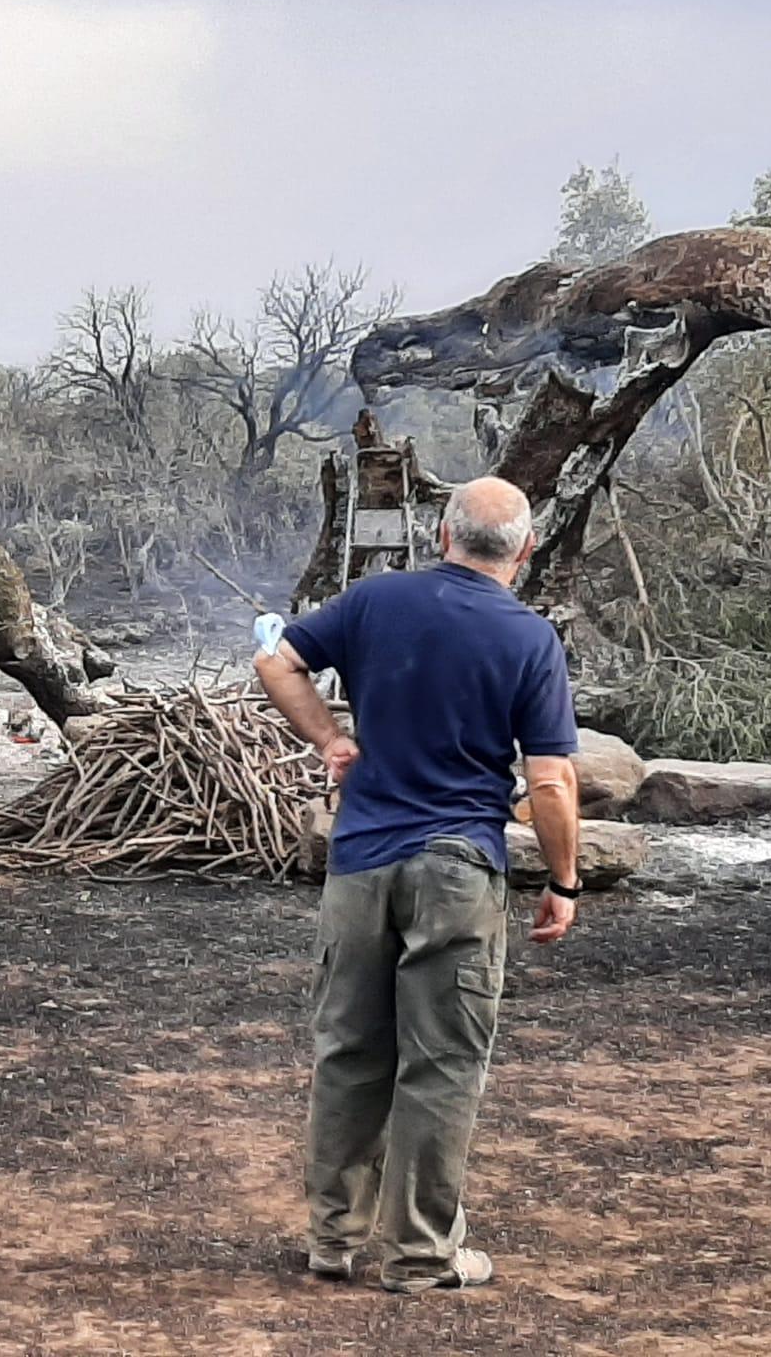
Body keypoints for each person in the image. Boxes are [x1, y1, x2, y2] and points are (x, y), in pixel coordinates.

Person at [254, 476, 582, 1295]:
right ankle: (421, 1256)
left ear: (443, 534)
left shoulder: (375, 600)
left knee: (350, 1052)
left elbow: (277, 660)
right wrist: (565, 880)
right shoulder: (528, 638)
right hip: (458, 869)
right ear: (526, 550)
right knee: (440, 1068)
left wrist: (331, 737)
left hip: (361, 862)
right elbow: (550, 784)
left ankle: (333, 1240)